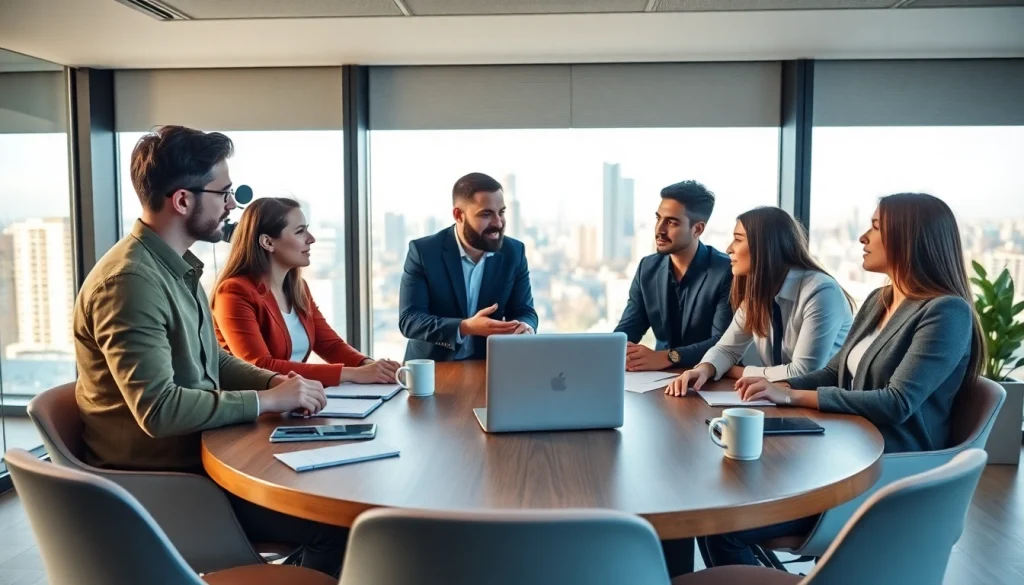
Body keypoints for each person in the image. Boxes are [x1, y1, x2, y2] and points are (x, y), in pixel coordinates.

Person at [73, 125, 345, 577]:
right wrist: (267, 401)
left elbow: (211, 361)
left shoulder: (175, 268)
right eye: (224, 193)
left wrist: (275, 382)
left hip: (201, 460)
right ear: (183, 200)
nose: (233, 205)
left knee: (329, 483)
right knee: (335, 521)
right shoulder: (130, 283)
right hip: (167, 486)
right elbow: (159, 410)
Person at [693, 193, 984, 568]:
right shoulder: (880, 300)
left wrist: (790, 397)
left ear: (910, 239)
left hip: (884, 473)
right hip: (847, 449)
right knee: (721, 499)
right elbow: (835, 372)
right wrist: (778, 391)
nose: (863, 237)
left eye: (876, 228)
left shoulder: (946, 312)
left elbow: (895, 403)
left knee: (721, 525)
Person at [212, 197, 400, 387]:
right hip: (256, 407)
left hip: (294, 401)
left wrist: (370, 366)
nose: (311, 239)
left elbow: (331, 345)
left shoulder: (297, 288)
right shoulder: (233, 292)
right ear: (268, 242)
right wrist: (353, 374)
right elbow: (260, 366)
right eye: (300, 231)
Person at [666, 206, 853, 394]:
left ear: (764, 246)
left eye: (738, 239)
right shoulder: (758, 294)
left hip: (824, 406)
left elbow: (803, 372)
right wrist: (703, 369)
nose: (729, 248)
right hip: (781, 398)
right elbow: (727, 349)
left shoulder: (820, 291)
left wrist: (738, 372)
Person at [398, 172, 539, 361]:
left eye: (501, 212)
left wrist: (525, 328)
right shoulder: (424, 252)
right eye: (486, 214)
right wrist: (466, 327)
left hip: (490, 365)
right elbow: (410, 320)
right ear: (459, 215)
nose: (498, 223)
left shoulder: (514, 252)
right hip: (433, 368)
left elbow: (525, 311)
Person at [614, 180, 734, 371]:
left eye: (671, 222)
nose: (659, 230)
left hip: (711, 378)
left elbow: (723, 343)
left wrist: (670, 357)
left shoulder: (726, 271)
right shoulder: (648, 267)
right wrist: (614, 351)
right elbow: (628, 331)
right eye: (658, 218)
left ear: (697, 229)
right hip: (655, 380)